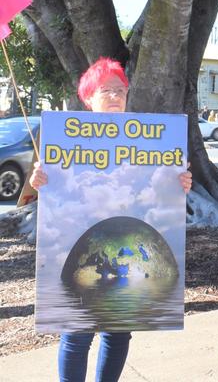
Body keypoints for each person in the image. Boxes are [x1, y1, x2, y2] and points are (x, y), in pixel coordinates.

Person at [29, 57, 193, 382]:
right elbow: (42, 191)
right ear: (88, 97)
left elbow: (159, 193)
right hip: (82, 245)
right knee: (77, 334)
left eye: (121, 90)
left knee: (118, 333)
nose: (116, 96)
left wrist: (181, 185)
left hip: (126, 249)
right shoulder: (65, 137)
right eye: (106, 90)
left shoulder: (149, 139)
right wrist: (37, 181)